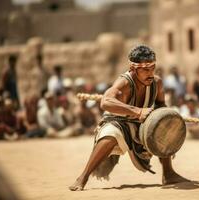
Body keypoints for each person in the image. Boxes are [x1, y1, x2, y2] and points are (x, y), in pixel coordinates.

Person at [69, 45, 189, 191]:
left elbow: (161, 105)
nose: (150, 73)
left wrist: (166, 119)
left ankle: (168, 173)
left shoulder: (157, 83)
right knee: (111, 134)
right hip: (117, 120)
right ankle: (83, 177)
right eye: (145, 69)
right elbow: (105, 102)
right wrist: (138, 111)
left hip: (141, 123)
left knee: (161, 124)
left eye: (152, 68)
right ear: (133, 68)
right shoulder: (124, 83)